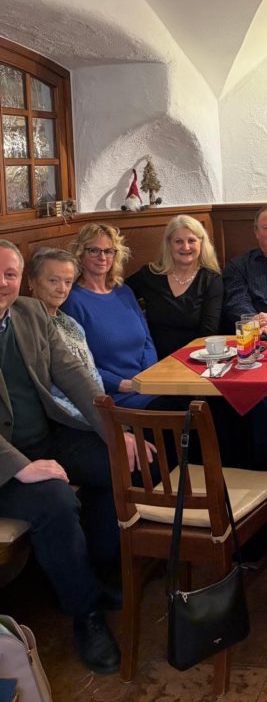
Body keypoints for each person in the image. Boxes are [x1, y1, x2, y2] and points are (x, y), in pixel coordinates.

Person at [0, 239, 151, 675]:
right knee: (56, 499)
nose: (3, 283)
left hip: (44, 439)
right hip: (6, 462)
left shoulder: (30, 313)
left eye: (9, 274)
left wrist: (117, 433)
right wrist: (20, 466)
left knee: (119, 463)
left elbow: (75, 375)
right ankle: (86, 612)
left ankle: (91, 574)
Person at [61, 223, 158, 408]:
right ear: (80, 254)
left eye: (108, 251)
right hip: (112, 395)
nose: (102, 257)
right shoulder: (72, 300)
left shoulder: (124, 291)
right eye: (94, 250)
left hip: (147, 384)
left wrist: (147, 376)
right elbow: (76, 363)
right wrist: (121, 384)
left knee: (198, 401)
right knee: (181, 410)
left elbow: (147, 341)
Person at [126, 214, 224, 357]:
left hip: (196, 358)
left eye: (191, 240)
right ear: (169, 244)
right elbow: (117, 295)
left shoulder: (211, 280)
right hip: (152, 359)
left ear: (201, 243)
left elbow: (208, 333)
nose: (186, 247)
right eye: (178, 241)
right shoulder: (149, 274)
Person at [26, 246, 104, 422]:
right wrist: (93, 421)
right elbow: (46, 393)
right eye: (53, 281)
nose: (62, 289)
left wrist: (106, 413)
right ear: (32, 281)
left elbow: (92, 374)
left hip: (94, 411)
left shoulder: (73, 324)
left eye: (68, 282)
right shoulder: (27, 326)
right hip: (62, 419)